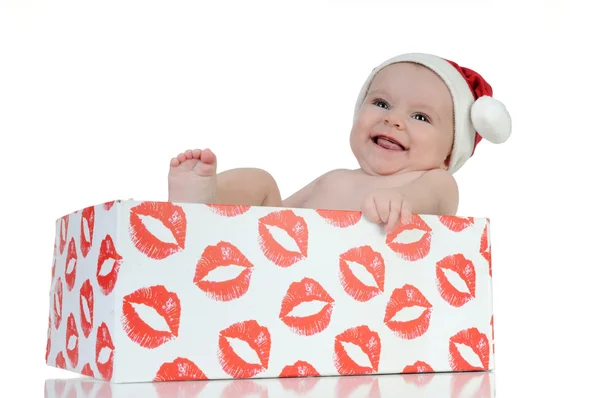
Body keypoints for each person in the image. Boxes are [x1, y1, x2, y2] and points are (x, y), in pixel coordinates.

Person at [167, 52, 512, 233]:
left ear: (451, 151)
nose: (393, 119)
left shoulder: (434, 181)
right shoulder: (332, 178)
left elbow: (432, 200)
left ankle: (199, 213)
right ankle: (201, 204)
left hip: (360, 294)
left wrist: (403, 200)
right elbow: (273, 216)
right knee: (262, 182)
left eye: (420, 117)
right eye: (381, 103)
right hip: (281, 271)